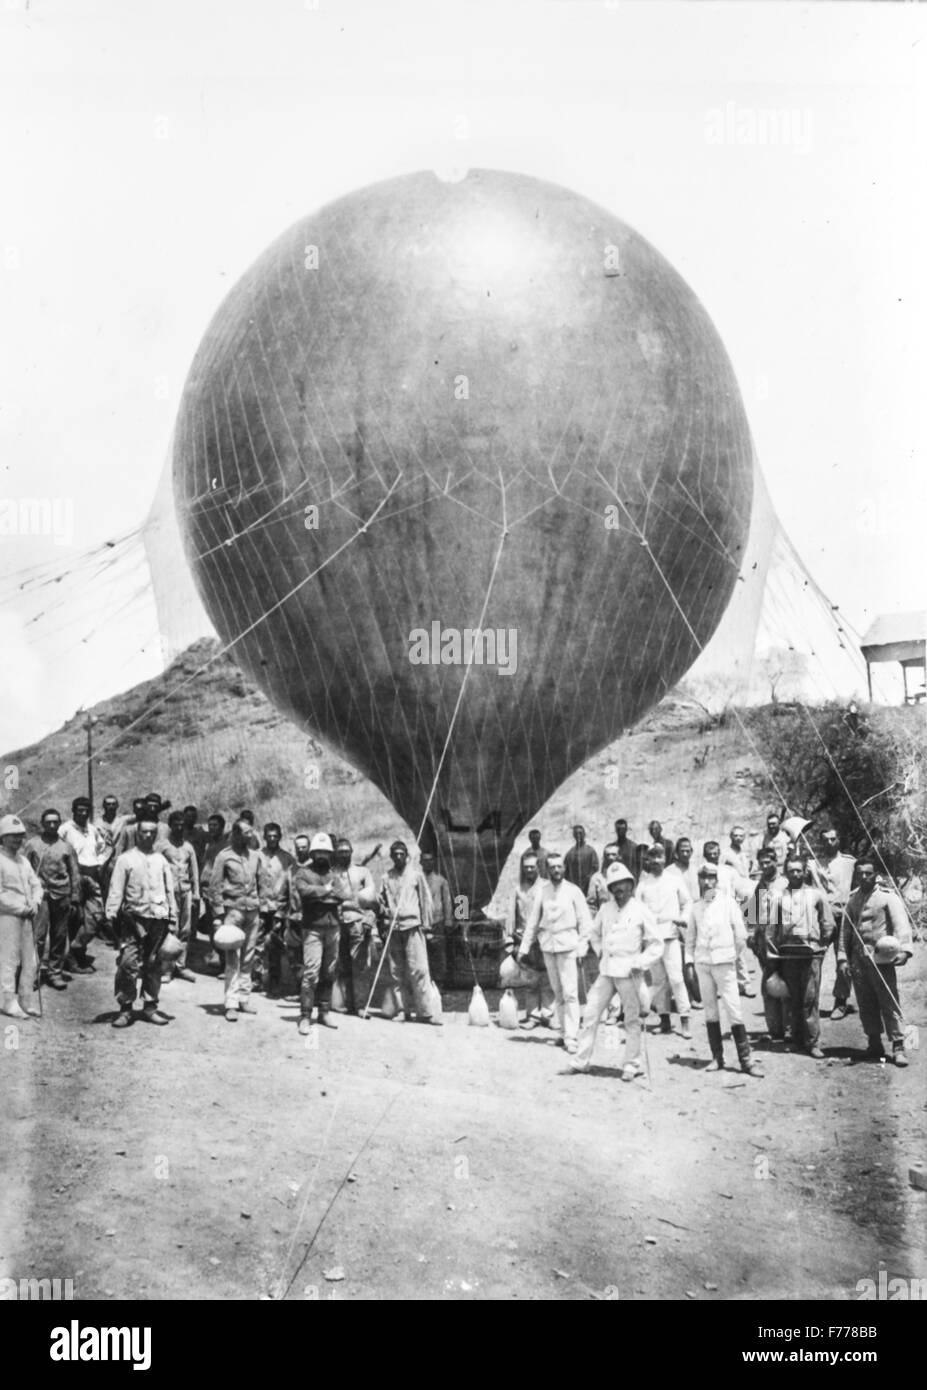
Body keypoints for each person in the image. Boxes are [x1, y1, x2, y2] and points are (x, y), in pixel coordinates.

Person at [570, 863, 663, 1080]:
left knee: (631, 1019)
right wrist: (599, 950)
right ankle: (581, 1060)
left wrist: (641, 961)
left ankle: (631, 1064)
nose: (619, 889)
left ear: (631, 885)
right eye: (614, 885)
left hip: (630, 972)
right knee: (591, 1012)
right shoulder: (606, 909)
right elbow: (594, 934)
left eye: (623, 884)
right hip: (607, 970)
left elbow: (657, 944)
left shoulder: (641, 910)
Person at [685, 864, 762, 1076]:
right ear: (699, 880)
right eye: (704, 878)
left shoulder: (728, 903)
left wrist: (730, 956)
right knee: (710, 1011)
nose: (708, 882)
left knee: (734, 1009)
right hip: (703, 964)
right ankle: (717, 1057)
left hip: (725, 964)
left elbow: (741, 935)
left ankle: (746, 1061)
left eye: (711, 878)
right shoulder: (696, 907)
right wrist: (689, 962)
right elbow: (690, 939)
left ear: (716, 880)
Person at [517, 850, 592, 1054]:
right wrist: (524, 948)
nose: (556, 870)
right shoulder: (543, 891)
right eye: (552, 867)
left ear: (564, 868)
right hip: (549, 945)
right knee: (557, 991)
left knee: (570, 993)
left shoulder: (573, 891)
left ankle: (572, 1036)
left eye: (559, 867)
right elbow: (533, 921)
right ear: (547, 870)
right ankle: (563, 1032)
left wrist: (582, 948)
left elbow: (586, 922)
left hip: (569, 946)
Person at [838, 861, 912, 1066]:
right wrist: (843, 958)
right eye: (860, 874)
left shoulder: (887, 897)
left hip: (882, 958)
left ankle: (898, 1045)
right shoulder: (852, 900)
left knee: (889, 1001)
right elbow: (845, 932)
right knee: (865, 1002)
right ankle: (874, 1044)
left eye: (868, 874)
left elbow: (901, 924)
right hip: (858, 960)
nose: (864, 877)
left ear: (875, 875)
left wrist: (905, 951)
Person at [104, 819, 176, 1028]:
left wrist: (172, 919)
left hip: (158, 919)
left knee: (154, 965)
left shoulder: (161, 860)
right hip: (132, 919)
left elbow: (169, 890)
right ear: (137, 833)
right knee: (128, 963)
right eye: (144, 832)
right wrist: (111, 913)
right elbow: (116, 888)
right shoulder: (126, 859)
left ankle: (150, 1007)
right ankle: (125, 1008)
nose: (148, 836)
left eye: (152, 832)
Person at [767, 854, 834, 1059]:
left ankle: (812, 1042)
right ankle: (797, 1040)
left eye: (799, 870)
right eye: (791, 870)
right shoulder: (778, 897)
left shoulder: (816, 895)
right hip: (787, 955)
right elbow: (771, 929)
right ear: (785, 872)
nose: (795, 874)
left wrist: (821, 948)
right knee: (793, 999)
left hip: (810, 954)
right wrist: (774, 955)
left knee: (810, 999)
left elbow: (828, 923)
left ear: (805, 872)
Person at [292, 832, 356, 1033]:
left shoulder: (333, 875)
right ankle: (305, 1015)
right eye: (318, 852)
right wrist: (327, 892)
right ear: (312, 852)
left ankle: (324, 1011)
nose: (322, 856)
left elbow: (344, 895)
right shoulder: (303, 873)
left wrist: (321, 894)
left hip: (333, 928)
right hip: (312, 928)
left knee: (329, 971)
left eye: (325, 852)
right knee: (311, 973)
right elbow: (304, 892)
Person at [377, 841, 442, 1026]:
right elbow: (381, 902)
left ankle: (425, 1012)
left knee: (419, 969)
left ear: (406, 855)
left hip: (413, 927)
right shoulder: (386, 877)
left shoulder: (416, 875)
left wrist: (427, 926)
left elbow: (426, 900)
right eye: (395, 854)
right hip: (394, 928)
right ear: (391, 856)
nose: (398, 857)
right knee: (396, 972)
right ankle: (402, 1010)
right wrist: (383, 916)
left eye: (401, 854)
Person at [208, 820, 266, 1022]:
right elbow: (214, 887)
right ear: (236, 834)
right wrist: (217, 916)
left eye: (251, 832)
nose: (250, 836)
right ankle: (231, 1003)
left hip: (253, 911)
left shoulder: (256, 856)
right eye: (246, 833)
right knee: (232, 957)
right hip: (233, 912)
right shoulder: (224, 856)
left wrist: (263, 908)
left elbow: (262, 883)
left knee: (249, 957)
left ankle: (244, 998)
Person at [636, 844, 692, 1038]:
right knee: (658, 981)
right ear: (647, 861)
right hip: (652, 940)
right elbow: (637, 912)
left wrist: (682, 919)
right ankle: (664, 1020)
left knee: (676, 978)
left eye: (659, 857)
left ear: (664, 859)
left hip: (670, 936)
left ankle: (685, 1020)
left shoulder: (674, 880)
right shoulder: (643, 885)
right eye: (652, 857)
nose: (656, 861)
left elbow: (687, 903)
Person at [25, 808, 80, 991]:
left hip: (61, 895)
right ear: (42, 823)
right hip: (40, 896)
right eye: (48, 822)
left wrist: (75, 897)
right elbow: (24, 869)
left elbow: (74, 874)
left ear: (59, 823)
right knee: (38, 936)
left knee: (59, 936)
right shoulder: (32, 844)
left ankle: (54, 972)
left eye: (55, 822)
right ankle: (32, 973)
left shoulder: (66, 846)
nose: (52, 825)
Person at [0, 814, 44, 1019]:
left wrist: (35, 902)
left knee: (31, 961)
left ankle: (25, 1000)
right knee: (8, 960)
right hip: (7, 917)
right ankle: (7, 1002)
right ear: (2, 837)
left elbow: (36, 885)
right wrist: (19, 908)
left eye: (20, 836)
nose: (17, 840)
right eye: (12, 836)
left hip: (27, 917)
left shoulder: (23, 861)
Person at [503, 853, 553, 1028]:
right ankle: (532, 1015)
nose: (529, 870)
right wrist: (510, 940)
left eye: (532, 866)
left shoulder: (547, 887)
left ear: (538, 867)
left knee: (548, 977)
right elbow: (511, 916)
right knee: (530, 979)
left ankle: (548, 1014)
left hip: (544, 939)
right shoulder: (518, 889)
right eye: (526, 867)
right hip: (524, 940)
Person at [58, 796, 108, 967]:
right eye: (80, 810)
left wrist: (100, 864)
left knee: (96, 915)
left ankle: (76, 949)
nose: (83, 813)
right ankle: (75, 959)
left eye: (86, 810)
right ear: (73, 811)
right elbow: (59, 852)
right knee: (75, 918)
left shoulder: (93, 829)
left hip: (92, 876)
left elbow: (102, 849)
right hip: (75, 876)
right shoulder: (65, 829)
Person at [745, 847, 788, 1040]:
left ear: (775, 861)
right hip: (764, 942)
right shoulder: (760, 885)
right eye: (761, 863)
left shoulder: (786, 882)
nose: (764, 866)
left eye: (768, 862)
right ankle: (774, 1028)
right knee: (769, 983)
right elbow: (753, 913)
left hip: (784, 940)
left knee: (786, 983)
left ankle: (788, 1028)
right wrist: (752, 934)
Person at [702, 839, 754, 996]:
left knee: (738, 945)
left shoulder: (728, 871)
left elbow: (741, 889)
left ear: (720, 854)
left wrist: (746, 909)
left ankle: (744, 983)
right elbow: (703, 894)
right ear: (705, 856)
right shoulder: (702, 871)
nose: (713, 856)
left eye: (716, 853)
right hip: (712, 912)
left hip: (731, 911)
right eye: (710, 854)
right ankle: (719, 986)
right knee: (715, 948)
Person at [816, 829, 857, 1021]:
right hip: (823, 917)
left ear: (839, 840)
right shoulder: (814, 864)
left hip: (845, 915)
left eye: (833, 839)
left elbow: (860, 886)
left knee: (843, 960)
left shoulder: (850, 862)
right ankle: (811, 1003)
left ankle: (841, 1002)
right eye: (826, 840)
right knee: (815, 959)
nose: (830, 842)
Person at [333, 837, 378, 1014]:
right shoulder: (332, 873)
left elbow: (373, 900)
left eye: (347, 851)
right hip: (338, 922)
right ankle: (345, 1002)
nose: (344, 855)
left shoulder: (363, 872)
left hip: (358, 922)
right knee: (340, 964)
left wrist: (370, 918)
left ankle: (360, 1005)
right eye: (340, 852)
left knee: (359, 965)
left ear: (351, 852)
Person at [253, 823, 293, 994]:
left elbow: (290, 886)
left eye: (275, 836)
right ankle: (256, 979)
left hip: (278, 908)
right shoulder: (256, 856)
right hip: (260, 906)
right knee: (257, 943)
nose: (272, 839)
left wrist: (284, 911)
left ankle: (275, 982)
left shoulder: (287, 859)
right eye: (269, 836)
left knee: (275, 945)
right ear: (264, 837)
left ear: (280, 837)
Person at [161, 811, 199, 983]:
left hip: (186, 891)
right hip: (168, 893)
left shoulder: (188, 847)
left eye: (182, 824)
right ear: (170, 825)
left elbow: (194, 872)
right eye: (175, 824)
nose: (179, 827)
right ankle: (167, 969)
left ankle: (181, 966)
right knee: (171, 929)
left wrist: (196, 893)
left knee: (186, 930)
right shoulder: (162, 846)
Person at [199, 813, 229, 969]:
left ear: (222, 827)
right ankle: (217, 957)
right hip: (206, 892)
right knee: (211, 926)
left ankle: (224, 962)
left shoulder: (225, 847)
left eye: (215, 825)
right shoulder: (209, 844)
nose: (211, 828)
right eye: (209, 825)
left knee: (220, 926)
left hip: (219, 893)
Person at [420, 849, 453, 988]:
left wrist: (448, 921)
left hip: (437, 922)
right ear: (420, 862)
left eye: (430, 860)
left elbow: (447, 901)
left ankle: (439, 983)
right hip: (421, 922)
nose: (428, 863)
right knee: (422, 954)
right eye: (425, 861)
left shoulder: (441, 881)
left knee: (439, 955)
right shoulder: (417, 879)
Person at [96, 795, 126, 903]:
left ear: (117, 806)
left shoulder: (123, 821)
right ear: (104, 806)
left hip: (119, 861)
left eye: (113, 804)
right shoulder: (97, 823)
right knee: (105, 893)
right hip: (103, 864)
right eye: (108, 804)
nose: (111, 806)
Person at [564, 825, 599, 898]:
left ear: (584, 834)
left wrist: (588, 880)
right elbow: (566, 872)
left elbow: (595, 868)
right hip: (573, 889)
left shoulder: (590, 851)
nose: (578, 836)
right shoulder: (570, 853)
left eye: (580, 833)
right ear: (573, 836)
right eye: (576, 834)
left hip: (588, 888)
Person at [586, 843, 619, 912]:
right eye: (608, 855)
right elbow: (591, 905)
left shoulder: (626, 877)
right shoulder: (597, 878)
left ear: (619, 857)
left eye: (614, 854)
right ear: (604, 858)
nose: (610, 857)